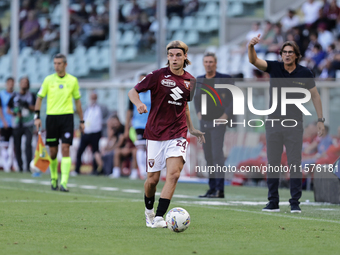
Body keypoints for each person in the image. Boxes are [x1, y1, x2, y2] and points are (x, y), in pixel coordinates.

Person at [128, 40, 205, 228]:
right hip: (155, 133)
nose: (174, 59)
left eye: (178, 55)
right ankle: (149, 212)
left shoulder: (191, 81)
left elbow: (184, 106)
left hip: (178, 133)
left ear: (185, 56)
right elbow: (133, 92)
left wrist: (192, 128)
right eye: (171, 55)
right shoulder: (156, 76)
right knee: (152, 181)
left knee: (173, 175)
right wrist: (138, 103)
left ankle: (159, 217)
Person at [248, 35, 325, 213]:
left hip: (294, 124)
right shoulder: (274, 67)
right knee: (273, 162)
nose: (287, 55)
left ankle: (295, 203)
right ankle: (273, 201)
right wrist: (251, 46)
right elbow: (253, 61)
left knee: (294, 163)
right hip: (273, 123)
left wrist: (320, 120)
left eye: (291, 52)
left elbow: (315, 96)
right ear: (281, 55)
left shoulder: (305, 73)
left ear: (296, 55)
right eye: (284, 52)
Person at [34, 53, 84, 192]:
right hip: (52, 118)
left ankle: (64, 182)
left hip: (67, 117)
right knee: (53, 152)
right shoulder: (48, 80)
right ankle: (54, 177)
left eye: (59, 63)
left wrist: (82, 120)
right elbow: (39, 98)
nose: (56, 66)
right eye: (55, 63)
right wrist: (37, 117)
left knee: (66, 148)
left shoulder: (72, 80)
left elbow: (77, 101)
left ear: (65, 64)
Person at [194, 52, 234, 198]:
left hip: (218, 122)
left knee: (217, 155)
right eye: (206, 62)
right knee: (208, 156)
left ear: (215, 63)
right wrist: (198, 113)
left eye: (211, 62)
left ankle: (219, 189)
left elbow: (233, 99)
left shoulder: (225, 79)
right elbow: (196, 99)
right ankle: (211, 188)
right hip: (204, 123)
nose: (208, 64)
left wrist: (225, 116)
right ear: (203, 63)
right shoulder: (199, 80)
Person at [74, 90, 109, 175]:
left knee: (95, 152)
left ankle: (96, 169)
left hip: (96, 132)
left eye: (94, 97)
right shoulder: (87, 107)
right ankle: (77, 169)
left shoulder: (101, 107)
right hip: (86, 132)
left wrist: (102, 123)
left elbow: (108, 117)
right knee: (80, 151)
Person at [124, 73, 151, 180]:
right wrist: (127, 128)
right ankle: (142, 172)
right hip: (138, 125)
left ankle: (148, 171)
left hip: (151, 125)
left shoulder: (152, 93)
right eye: (141, 80)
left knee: (150, 149)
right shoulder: (134, 94)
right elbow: (129, 112)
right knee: (140, 147)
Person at [7, 77, 36, 172]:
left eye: (26, 82)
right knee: (17, 146)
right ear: (19, 84)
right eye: (22, 82)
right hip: (17, 124)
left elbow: (36, 108)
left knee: (28, 145)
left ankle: (27, 167)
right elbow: (8, 109)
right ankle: (20, 166)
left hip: (28, 123)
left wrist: (27, 105)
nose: (24, 84)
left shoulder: (31, 95)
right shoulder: (14, 96)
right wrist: (15, 113)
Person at [0, 77, 14, 172]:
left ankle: (12, 164)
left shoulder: (15, 95)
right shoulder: (1, 94)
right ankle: (4, 164)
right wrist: (4, 121)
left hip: (15, 123)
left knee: (14, 146)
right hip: (4, 123)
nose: (10, 85)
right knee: (4, 145)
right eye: (9, 83)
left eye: (12, 83)